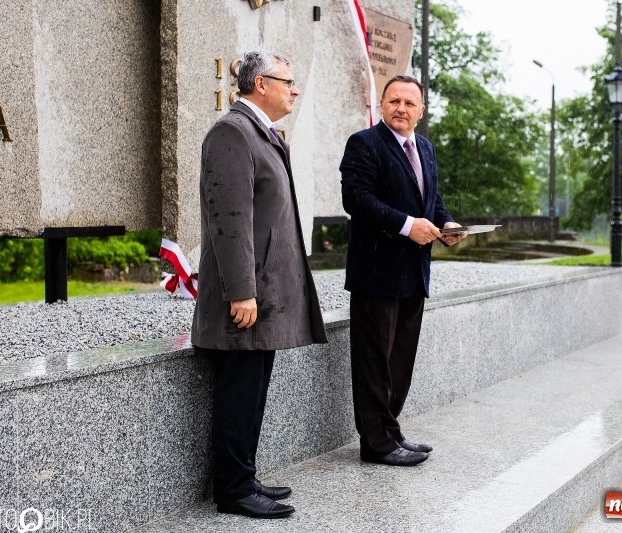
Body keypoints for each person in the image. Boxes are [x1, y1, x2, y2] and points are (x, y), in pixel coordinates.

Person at [192, 51, 327, 519]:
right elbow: (230, 220)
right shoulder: (232, 132)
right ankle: (232, 490)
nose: (294, 90)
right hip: (247, 298)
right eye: (288, 82)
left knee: (253, 392)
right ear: (261, 84)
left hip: (265, 297)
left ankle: (245, 477)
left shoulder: (258, 132)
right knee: (239, 392)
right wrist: (241, 291)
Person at [339, 75, 466, 467]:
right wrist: (409, 225)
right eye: (395, 101)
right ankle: (375, 444)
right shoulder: (364, 144)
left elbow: (432, 199)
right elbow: (356, 200)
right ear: (382, 104)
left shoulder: (424, 147)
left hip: (415, 273)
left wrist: (445, 224)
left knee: (400, 361)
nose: (402, 108)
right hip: (376, 274)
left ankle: (390, 433)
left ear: (421, 111)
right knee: (375, 361)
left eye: (410, 103)